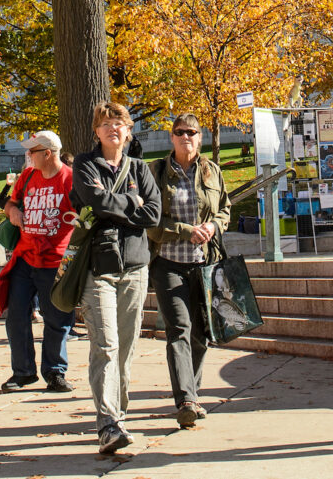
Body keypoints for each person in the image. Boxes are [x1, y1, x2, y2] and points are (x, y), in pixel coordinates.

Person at [71, 102, 162, 456]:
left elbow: (153, 213)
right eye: (105, 124)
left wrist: (116, 203)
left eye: (119, 123)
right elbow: (93, 201)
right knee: (106, 346)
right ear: (96, 131)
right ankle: (107, 423)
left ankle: (119, 417)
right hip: (100, 268)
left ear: (128, 131)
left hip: (136, 268)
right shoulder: (85, 164)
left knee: (125, 349)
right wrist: (132, 202)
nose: (112, 128)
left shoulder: (140, 167)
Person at [147, 113, 232, 430]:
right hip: (168, 262)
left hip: (205, 264)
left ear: (200, 137)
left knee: (201, 334)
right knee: (179, 329)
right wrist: (185, 230)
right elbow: (150, 221)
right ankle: (185, 400)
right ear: (172, 137)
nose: (186, 137)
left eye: (192, 132)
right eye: (179, 132)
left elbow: (224, 209)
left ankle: (192, 396)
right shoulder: (156, 172)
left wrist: (213, 225)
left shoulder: (212, 172)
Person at [2, 130, 78, 394]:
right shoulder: (27, 176)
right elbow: (10, 203)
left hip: (54, 260)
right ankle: (23, 372)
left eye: (32, 152)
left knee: (57, 318)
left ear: (48, 154)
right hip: (25, 257)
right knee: (16, 316)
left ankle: (55, 372)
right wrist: (13, 213)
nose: (28, 156)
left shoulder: (70, 180)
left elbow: (85, 218)